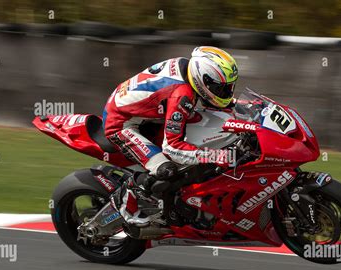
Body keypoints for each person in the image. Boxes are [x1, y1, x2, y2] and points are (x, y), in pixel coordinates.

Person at [102, 46, 239, 224]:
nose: (226, 93)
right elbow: (173, 147)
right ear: (202, 79)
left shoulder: (188, 68)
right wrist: (213, 156)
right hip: (121, 124)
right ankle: (125, 202)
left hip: (143, 113)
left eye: (229, 88)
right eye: (221, 89)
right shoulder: (182, 96)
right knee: (166, 168)